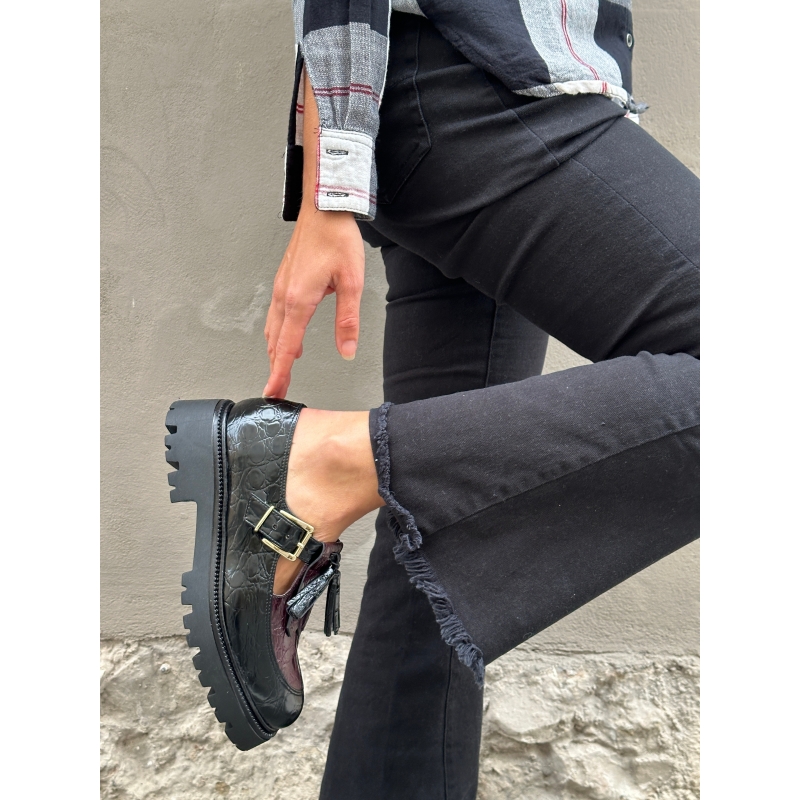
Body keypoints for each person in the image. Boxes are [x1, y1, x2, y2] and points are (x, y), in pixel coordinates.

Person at [165, 3, 698, 797]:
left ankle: (348, 470)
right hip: (480, 89)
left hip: (480, 95)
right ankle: (321, 461)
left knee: (438, 534)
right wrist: (331, 180)